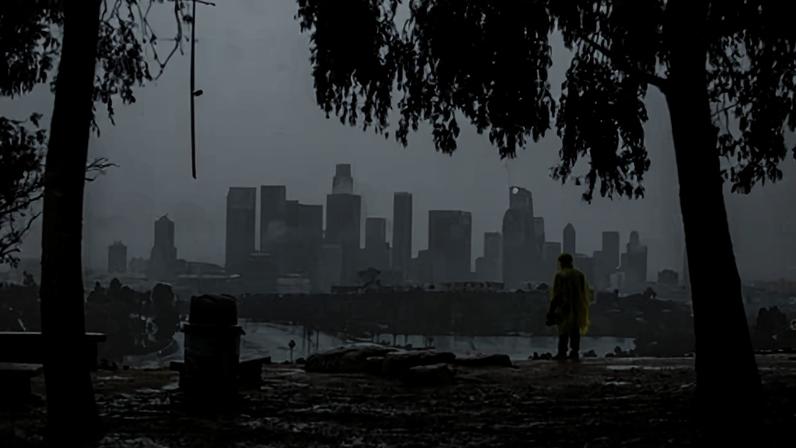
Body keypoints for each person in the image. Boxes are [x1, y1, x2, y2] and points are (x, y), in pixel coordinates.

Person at [546, 253, 592, 361]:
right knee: (575, 330)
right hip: (578, 307)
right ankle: (574, 352)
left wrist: (551, 311)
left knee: (563, 331)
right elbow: (584, 293)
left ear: (561, 263)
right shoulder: (579, 275)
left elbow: (557, 295)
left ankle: (562, 353)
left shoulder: (560, 275)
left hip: (564, 307)